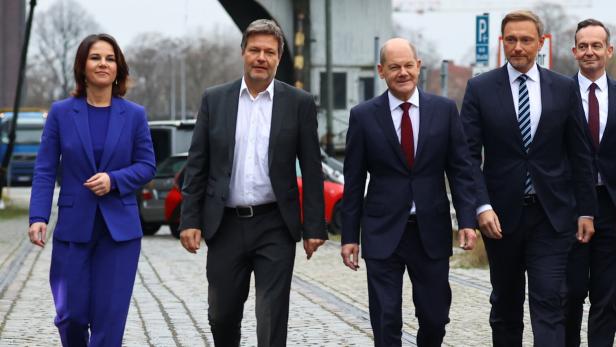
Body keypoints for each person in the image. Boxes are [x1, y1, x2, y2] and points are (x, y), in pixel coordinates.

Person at [178, 19, 326, 346]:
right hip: (225, 224)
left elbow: (313, 169)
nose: (261, 57)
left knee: (272, 315)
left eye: (269, 52)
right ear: (243, 53)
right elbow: (197, 163)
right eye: (255, 50)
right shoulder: (215, 100)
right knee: (222, 314)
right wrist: (190, 219)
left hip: (275, 223)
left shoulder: (298, 103)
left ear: (278, 57)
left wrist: (314, 227)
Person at [460, 10, 597, 346]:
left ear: (540, 43)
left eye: (525, 40)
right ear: (502, 43)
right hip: (500, 218)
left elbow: (580, 154)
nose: (518, 47)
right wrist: (481, 206)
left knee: (550, 300)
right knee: (505, 305)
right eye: (511, 40)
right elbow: (466, 156)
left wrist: (586, 210)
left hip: (551, 216)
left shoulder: (563, 89)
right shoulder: (480, 89)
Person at [341, 37, 477, 347]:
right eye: (394, 67)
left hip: (430, 229)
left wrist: (467, 220)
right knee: (386, 318)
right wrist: (350, 237)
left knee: (435, 317)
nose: (402, 72)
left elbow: (460, 169)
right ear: (381, 71)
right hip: (382, 230)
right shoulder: (363, 116)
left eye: (408, 65)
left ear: (418, 66)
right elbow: (353, 180)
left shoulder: (443, 110)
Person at [28, 33, 156, 346]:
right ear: (82, 66)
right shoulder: (61, 112)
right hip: (74, 229)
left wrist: (114, 180)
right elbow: (45, 169)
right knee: (70, 314)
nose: (103, 64)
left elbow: (147, 165)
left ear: (118, 68)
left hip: (120, 234)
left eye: (110, 58)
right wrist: (38, 216)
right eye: (95, 57)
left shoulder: (134, 115)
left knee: (109, 320)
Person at [565, 18, 616, 347]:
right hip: (568, 207)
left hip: (612, 207)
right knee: (568, 294)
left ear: (609, 51)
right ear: (574, 51)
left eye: (596, 45)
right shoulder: (558, 95)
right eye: (583, 46)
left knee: (608, 296)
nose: (589, 52)